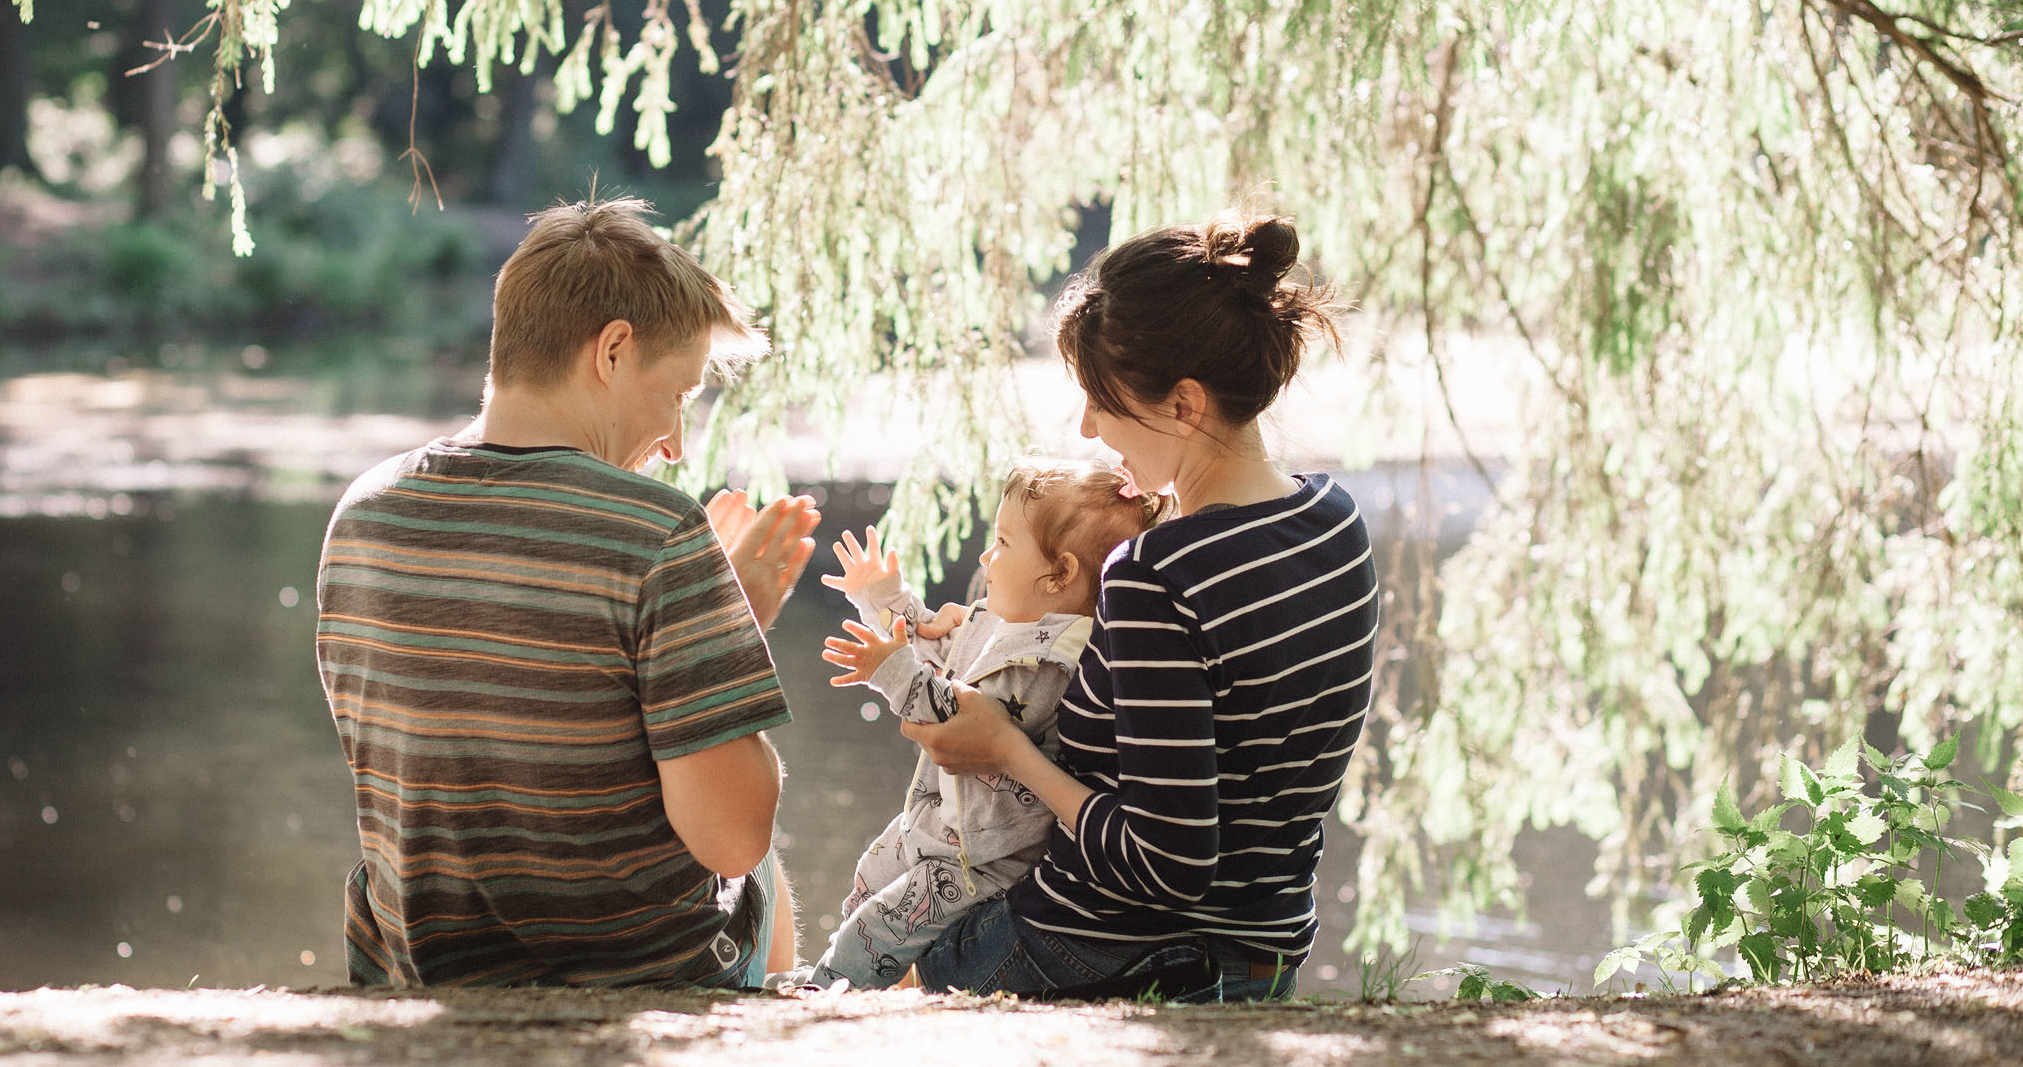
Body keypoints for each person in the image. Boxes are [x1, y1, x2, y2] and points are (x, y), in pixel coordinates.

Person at [315, 197, 819, 988]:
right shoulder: (655, 530)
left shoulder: (364, 510)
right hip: (634, 975)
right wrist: (734, 627)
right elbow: (732, 836)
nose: (678, 446)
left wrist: (700, 627)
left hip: (422, 969)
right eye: (681, 395)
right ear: (613, 350)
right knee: (761, 878)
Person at [902, 209, 1378, 1001]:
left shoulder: (1157, 573)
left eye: (1100, 399)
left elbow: (1168, 864)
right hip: (1263, 957)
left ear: (1184, 405)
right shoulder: (1335, 520)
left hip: (1110, 950)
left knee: (889, 944)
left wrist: (1004, 750)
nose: (1086, 427)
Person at [796, 460, 1170, 989]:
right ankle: (836, 977)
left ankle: (830, 992)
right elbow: (936, 643)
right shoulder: (1006, 623)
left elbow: (962, 713)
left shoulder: (1053, 662)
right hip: (938, 824)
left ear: (1059, 574)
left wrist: (893, 673)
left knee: (880, 926)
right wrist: (885, 599)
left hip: (982, 854)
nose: (985, 556)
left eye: (1002, 543)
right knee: (869, 880)